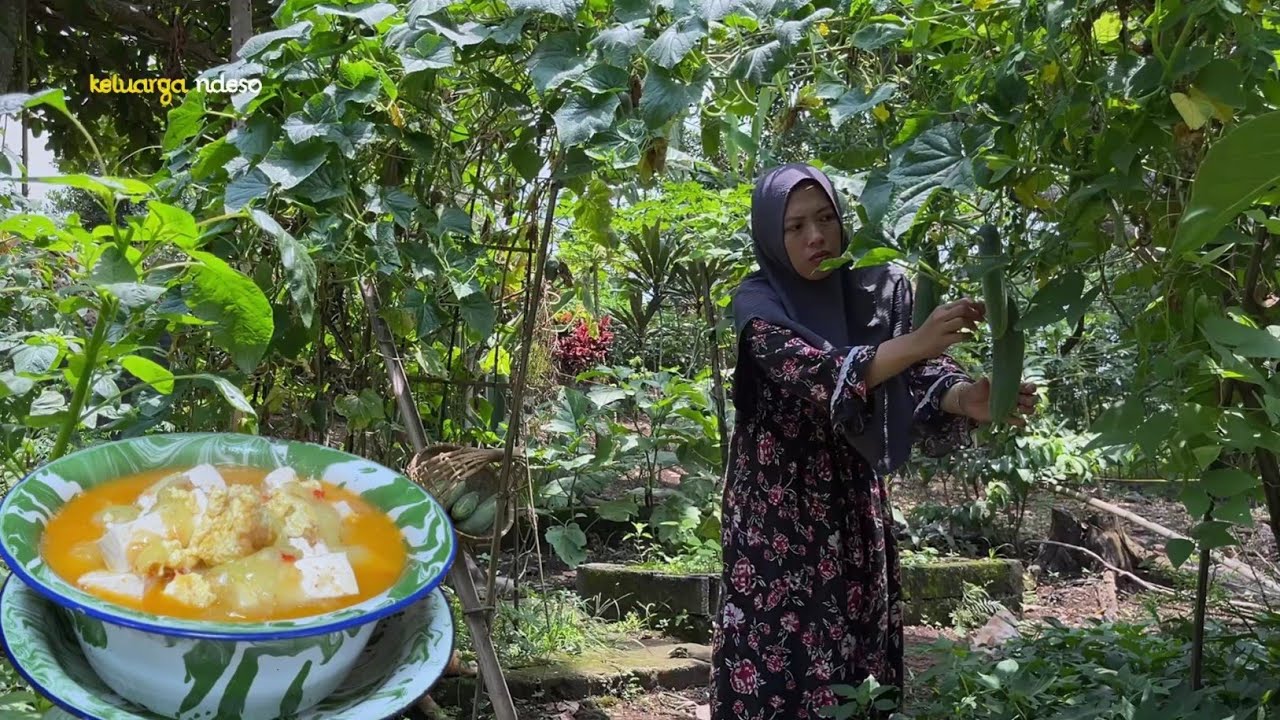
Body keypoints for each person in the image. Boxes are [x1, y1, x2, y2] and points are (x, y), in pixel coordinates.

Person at [709, 163, 1037, 719]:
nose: (816, 236)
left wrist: (965, 398)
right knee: (778, 664)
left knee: (857, 656)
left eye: (826, 218)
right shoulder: (758, 305)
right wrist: (916, 343)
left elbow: (919, 379)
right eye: (794, 227)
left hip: (854, 509)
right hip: (777, 521)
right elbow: (820, 372)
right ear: (771, 234)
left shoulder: (879, 292)